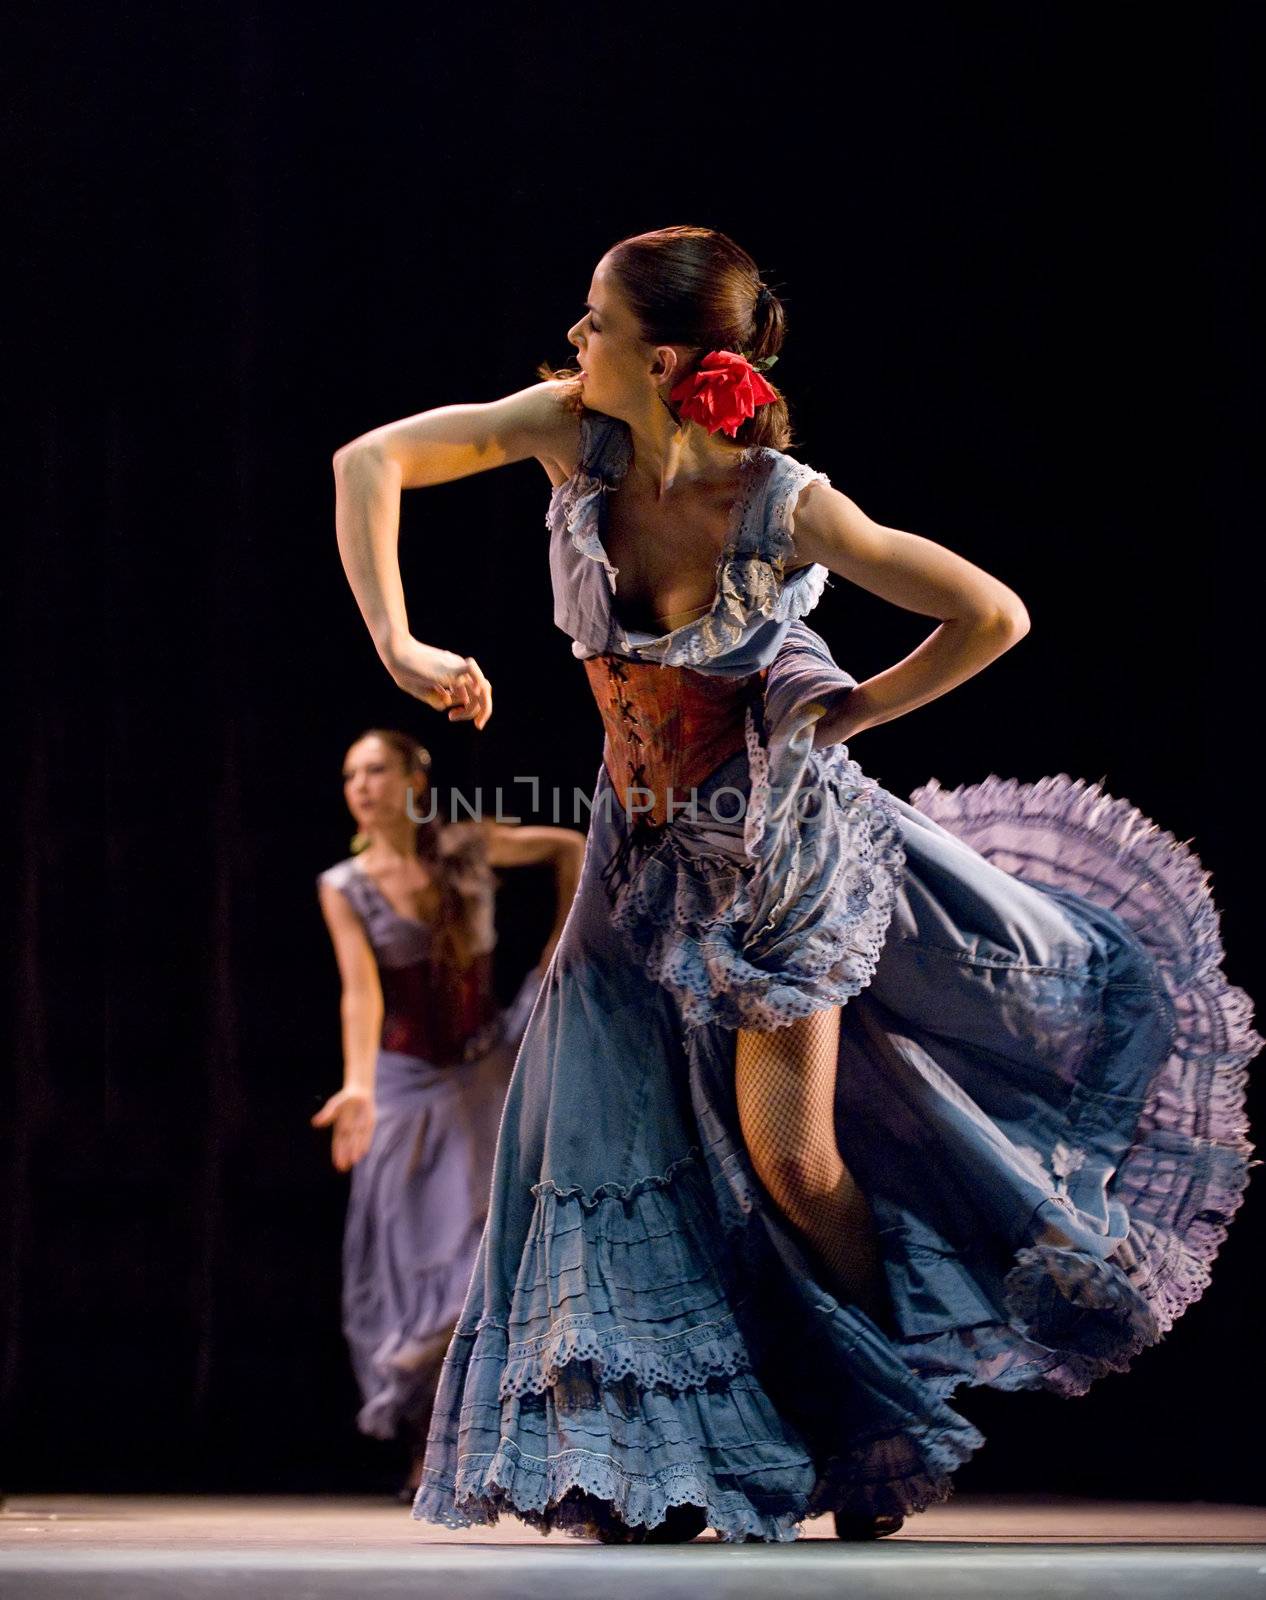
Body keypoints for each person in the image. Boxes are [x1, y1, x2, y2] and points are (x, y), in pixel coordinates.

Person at [328, 225, 1260, 1544]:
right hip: (629, 848)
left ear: (658, 359)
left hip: (773, 856)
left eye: (591, 324)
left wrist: (851, 715)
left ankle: (868, 1424)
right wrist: (400, 640)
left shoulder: (776, 500)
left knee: (791, 1155)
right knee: (589, 1140)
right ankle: (653, 1457)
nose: (570, 342)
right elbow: (369, 460)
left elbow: (988, 612)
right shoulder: (569, 431)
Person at [314, 727, 584, 1497]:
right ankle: (424, 1438)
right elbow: (361, 991)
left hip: (480, 1067)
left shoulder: (463, 845)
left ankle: (472, 1440)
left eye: (375, 769)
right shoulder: (345, 883)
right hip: (400, 1081)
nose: (361, 785)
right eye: (350, 773)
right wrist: (358, 1084)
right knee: (410, 1260)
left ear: (414, 779)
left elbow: (570, 847)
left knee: (480, 1252)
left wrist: (552, 953)